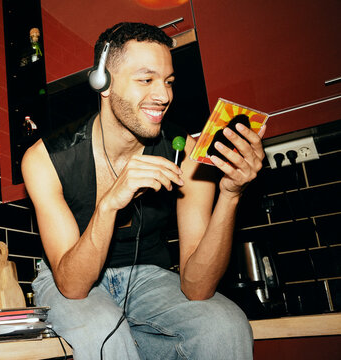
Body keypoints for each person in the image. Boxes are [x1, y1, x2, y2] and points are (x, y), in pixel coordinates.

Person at [21, 22, 265, 360]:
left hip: (151, 277)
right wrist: (108, 205)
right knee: (101, 330)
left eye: (168, 81)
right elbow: (73, 286)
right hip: (70, 277)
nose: (164, 95)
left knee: (226, 324)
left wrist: (231, 194)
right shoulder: (45, 160)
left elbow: (197, 288)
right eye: (146, 80)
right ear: (103, 83)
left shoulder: (189, 153)